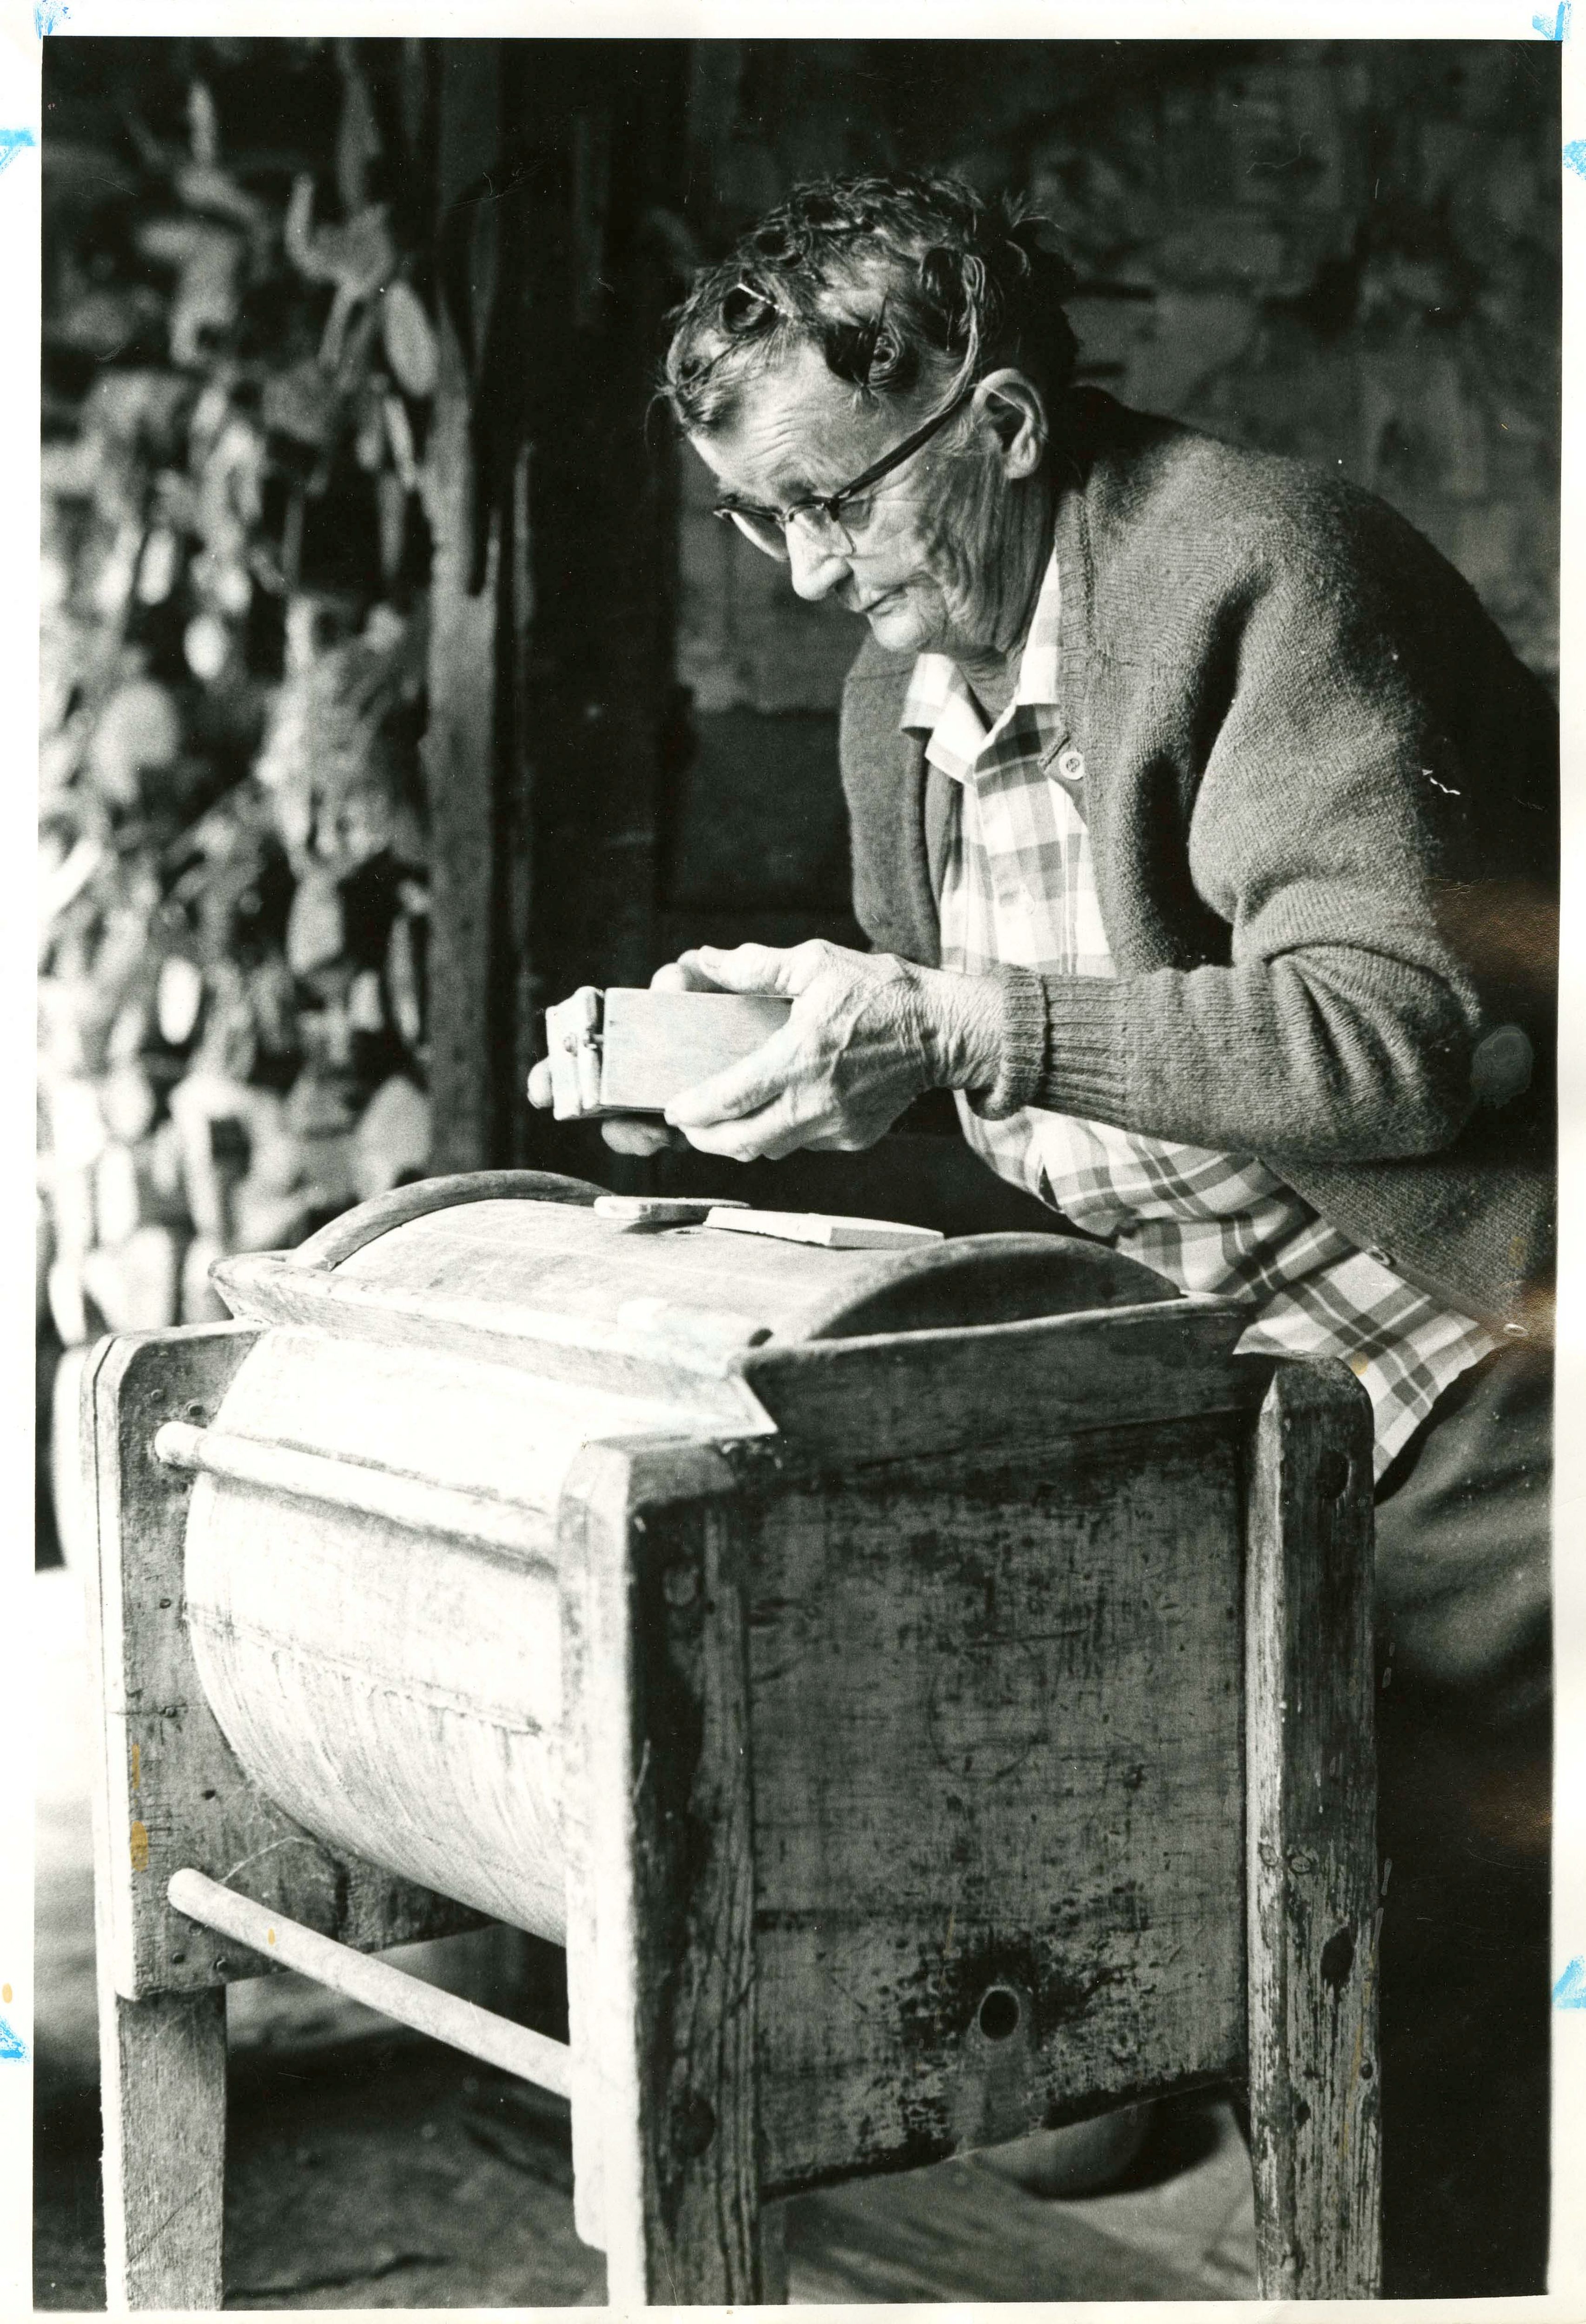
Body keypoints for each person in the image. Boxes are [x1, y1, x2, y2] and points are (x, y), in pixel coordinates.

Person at [528, 171, 1557, 2294]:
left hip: (1490, 1363)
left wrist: (953, 1024)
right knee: (1141, 1928)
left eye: (836, 501)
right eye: (757, 522)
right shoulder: (894, 707)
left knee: (1437, 1958)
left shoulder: (1263, 569)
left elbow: (1389, 1044)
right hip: (1251, 1395)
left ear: (998, 423)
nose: (810, 571)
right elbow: (1024, 1060)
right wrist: (755, 1052)